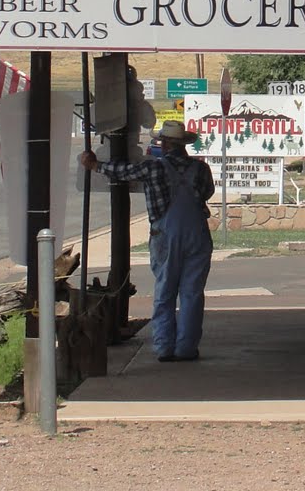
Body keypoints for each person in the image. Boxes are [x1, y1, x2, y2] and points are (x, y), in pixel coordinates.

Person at [80, 119, 216, 362]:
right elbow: (207, 193)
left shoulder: (154, 168)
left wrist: (94, 165)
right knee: (192, 293)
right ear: (183, 144)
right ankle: (186, 347)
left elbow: (123, 172)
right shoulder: (201, 169)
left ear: (164, 144)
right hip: (197, 233)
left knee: (165, 289)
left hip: (165, 233)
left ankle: (164, 346)